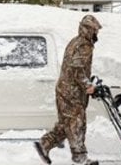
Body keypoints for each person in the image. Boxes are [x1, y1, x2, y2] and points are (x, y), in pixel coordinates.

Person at [34, 14, 102, 165]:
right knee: (77, 123)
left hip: (65, 89)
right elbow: (76, 68)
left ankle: (44, 144)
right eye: (95, 31)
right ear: (88, 30)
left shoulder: (75, 42)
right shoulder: (84, 45)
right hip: (72, 92)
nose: (97, 34)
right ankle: (80, 158)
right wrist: (87, 85)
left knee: (68, 123)